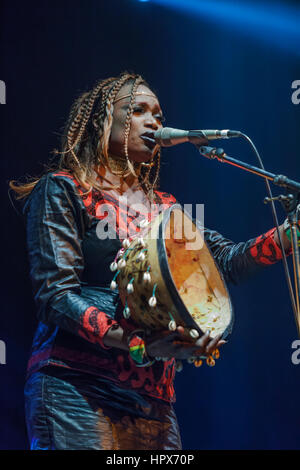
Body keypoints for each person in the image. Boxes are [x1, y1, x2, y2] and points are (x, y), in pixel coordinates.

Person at [10, 72, 293, 450]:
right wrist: (140, 345)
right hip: (77, 387)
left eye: (158, 115)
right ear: (102, 120)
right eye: (137, 110)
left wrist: (292, 233)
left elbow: (226, 262)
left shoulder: (166, 208)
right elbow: (55, 296)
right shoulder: (64, 189)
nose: (154, 122)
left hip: (155, 401)